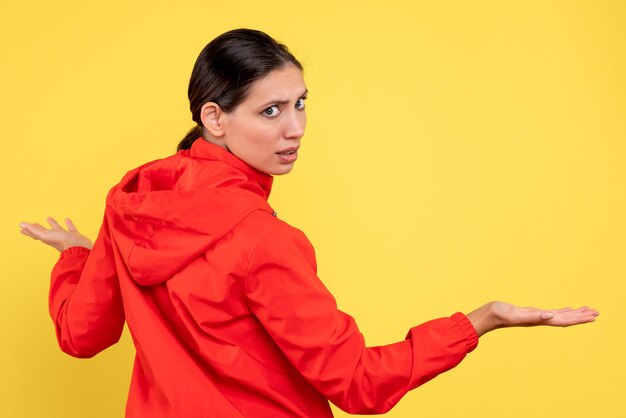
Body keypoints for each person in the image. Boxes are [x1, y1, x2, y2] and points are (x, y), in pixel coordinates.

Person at [19, 29, 599, 418]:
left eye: (300, 103)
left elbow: (80, 335)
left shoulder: (132, 205)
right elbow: (358, 385)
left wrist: (79, 255)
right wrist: (481, 320)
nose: (294, 128)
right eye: (270, 111)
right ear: (214, 118)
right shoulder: (262, 241)